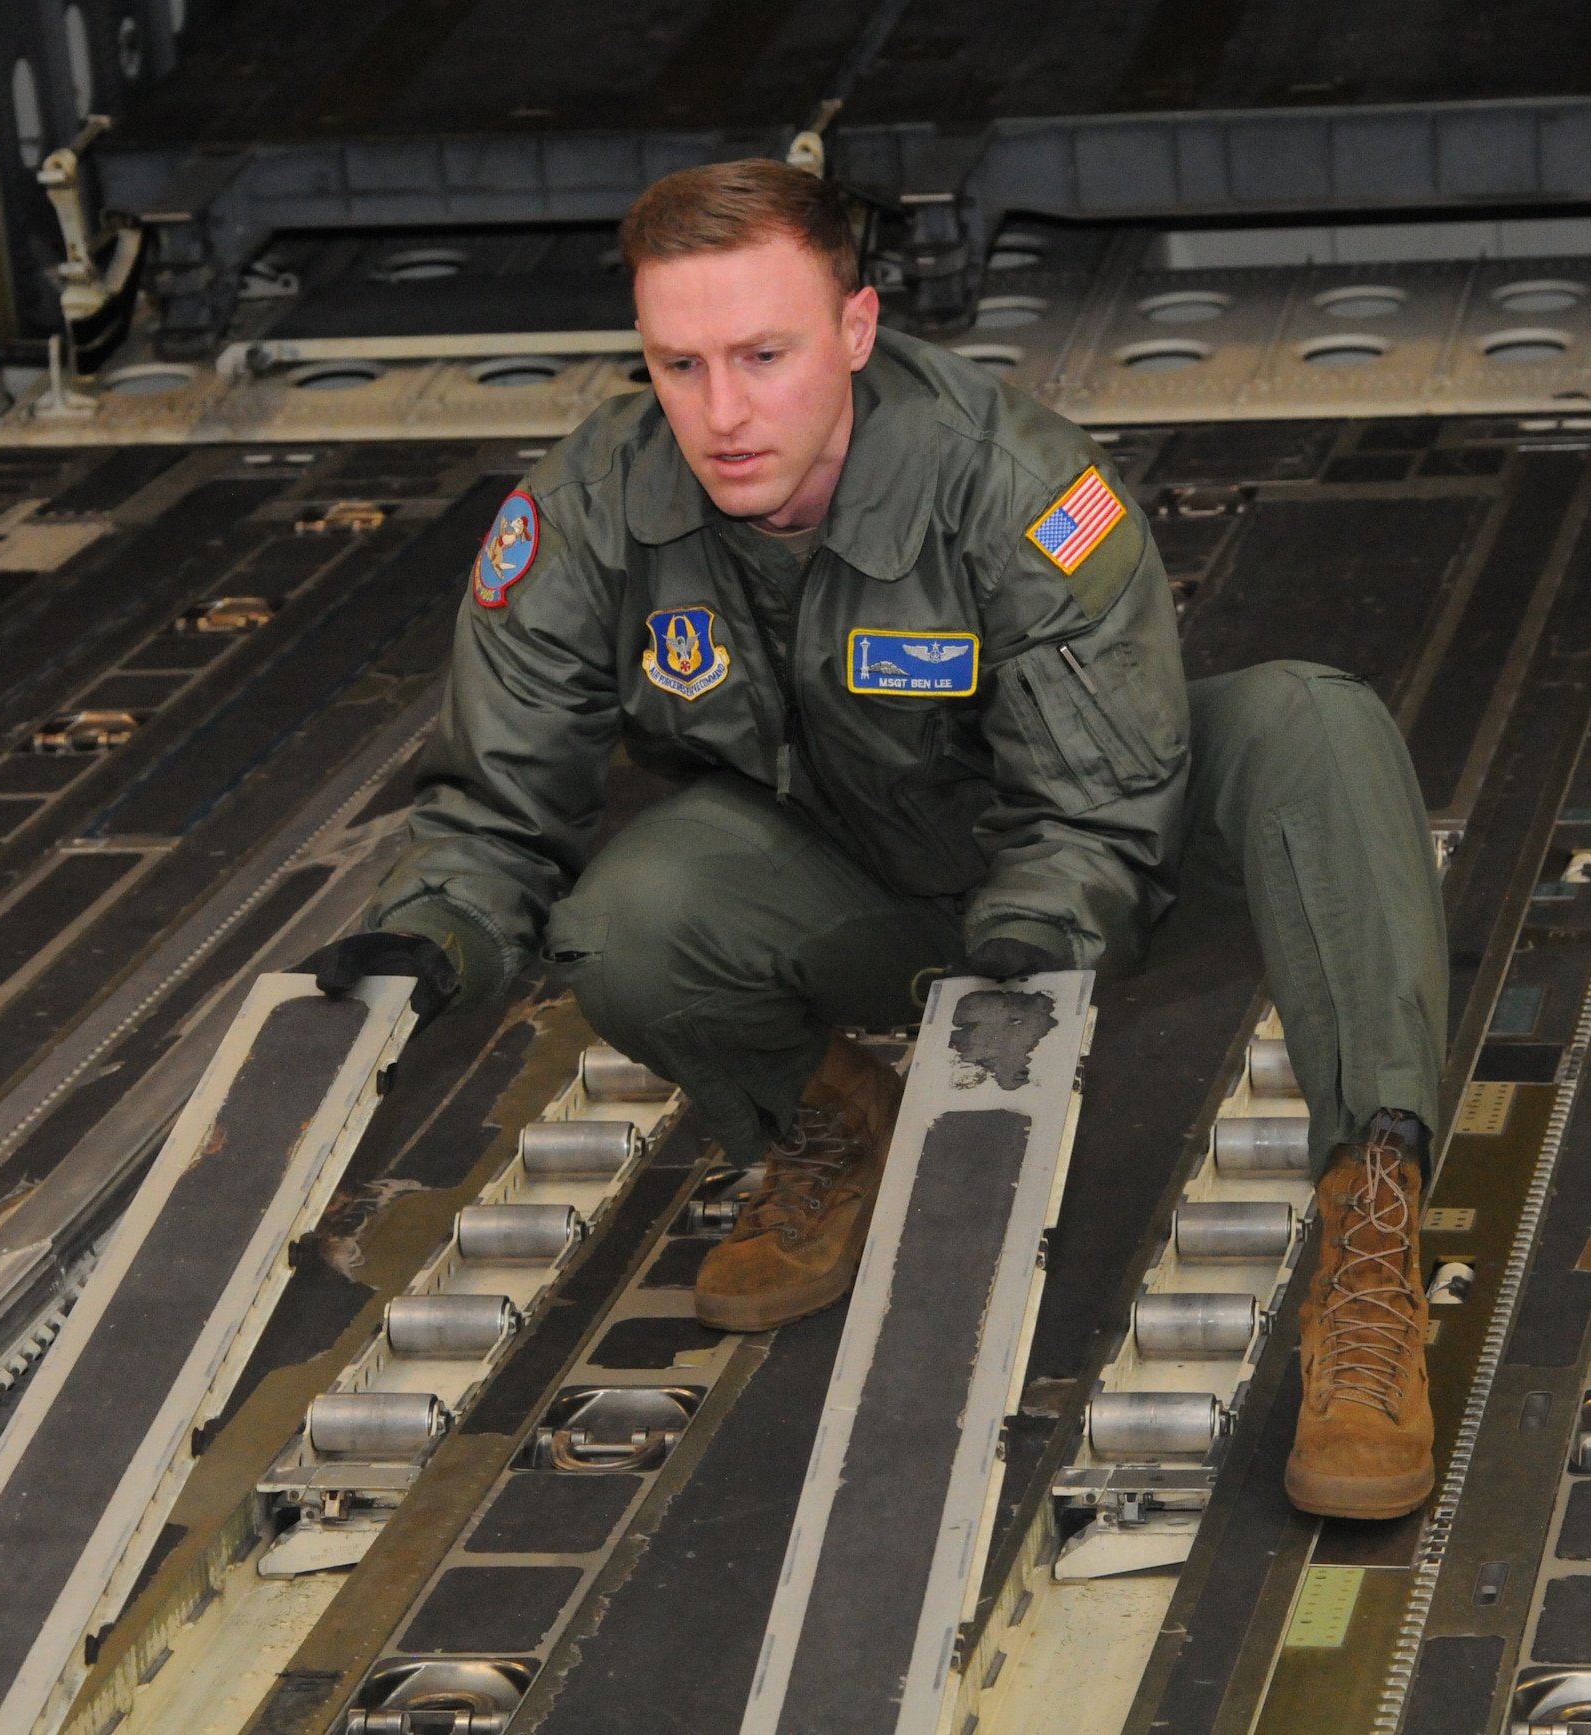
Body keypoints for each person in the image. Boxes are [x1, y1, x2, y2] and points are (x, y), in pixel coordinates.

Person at [310, 160, 1448, 1523]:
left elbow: (1101, 793)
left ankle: (1371, 1254)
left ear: (855, 331)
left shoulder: (1012, 481)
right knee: (629, 914)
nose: (721, 414)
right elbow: (501, 800)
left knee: (1316, 729)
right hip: (851, 872)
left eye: (764, 355)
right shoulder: (589, 507)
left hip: (1099, 861)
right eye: (679, 365)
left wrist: (1042, 926)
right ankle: (832, 1124)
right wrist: (434, 927)